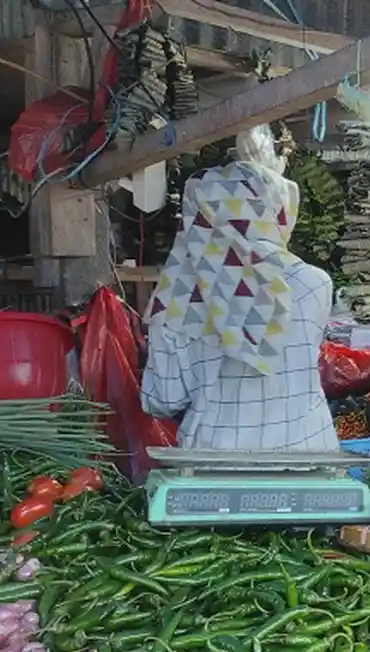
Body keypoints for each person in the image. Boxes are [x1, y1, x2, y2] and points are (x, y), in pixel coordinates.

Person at [140, 157, 338, 452]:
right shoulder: (315, 284)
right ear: (276, 210)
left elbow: (164, 399)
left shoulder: (176, 294)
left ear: (199, 215)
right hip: (309, 455)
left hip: (214, 463)